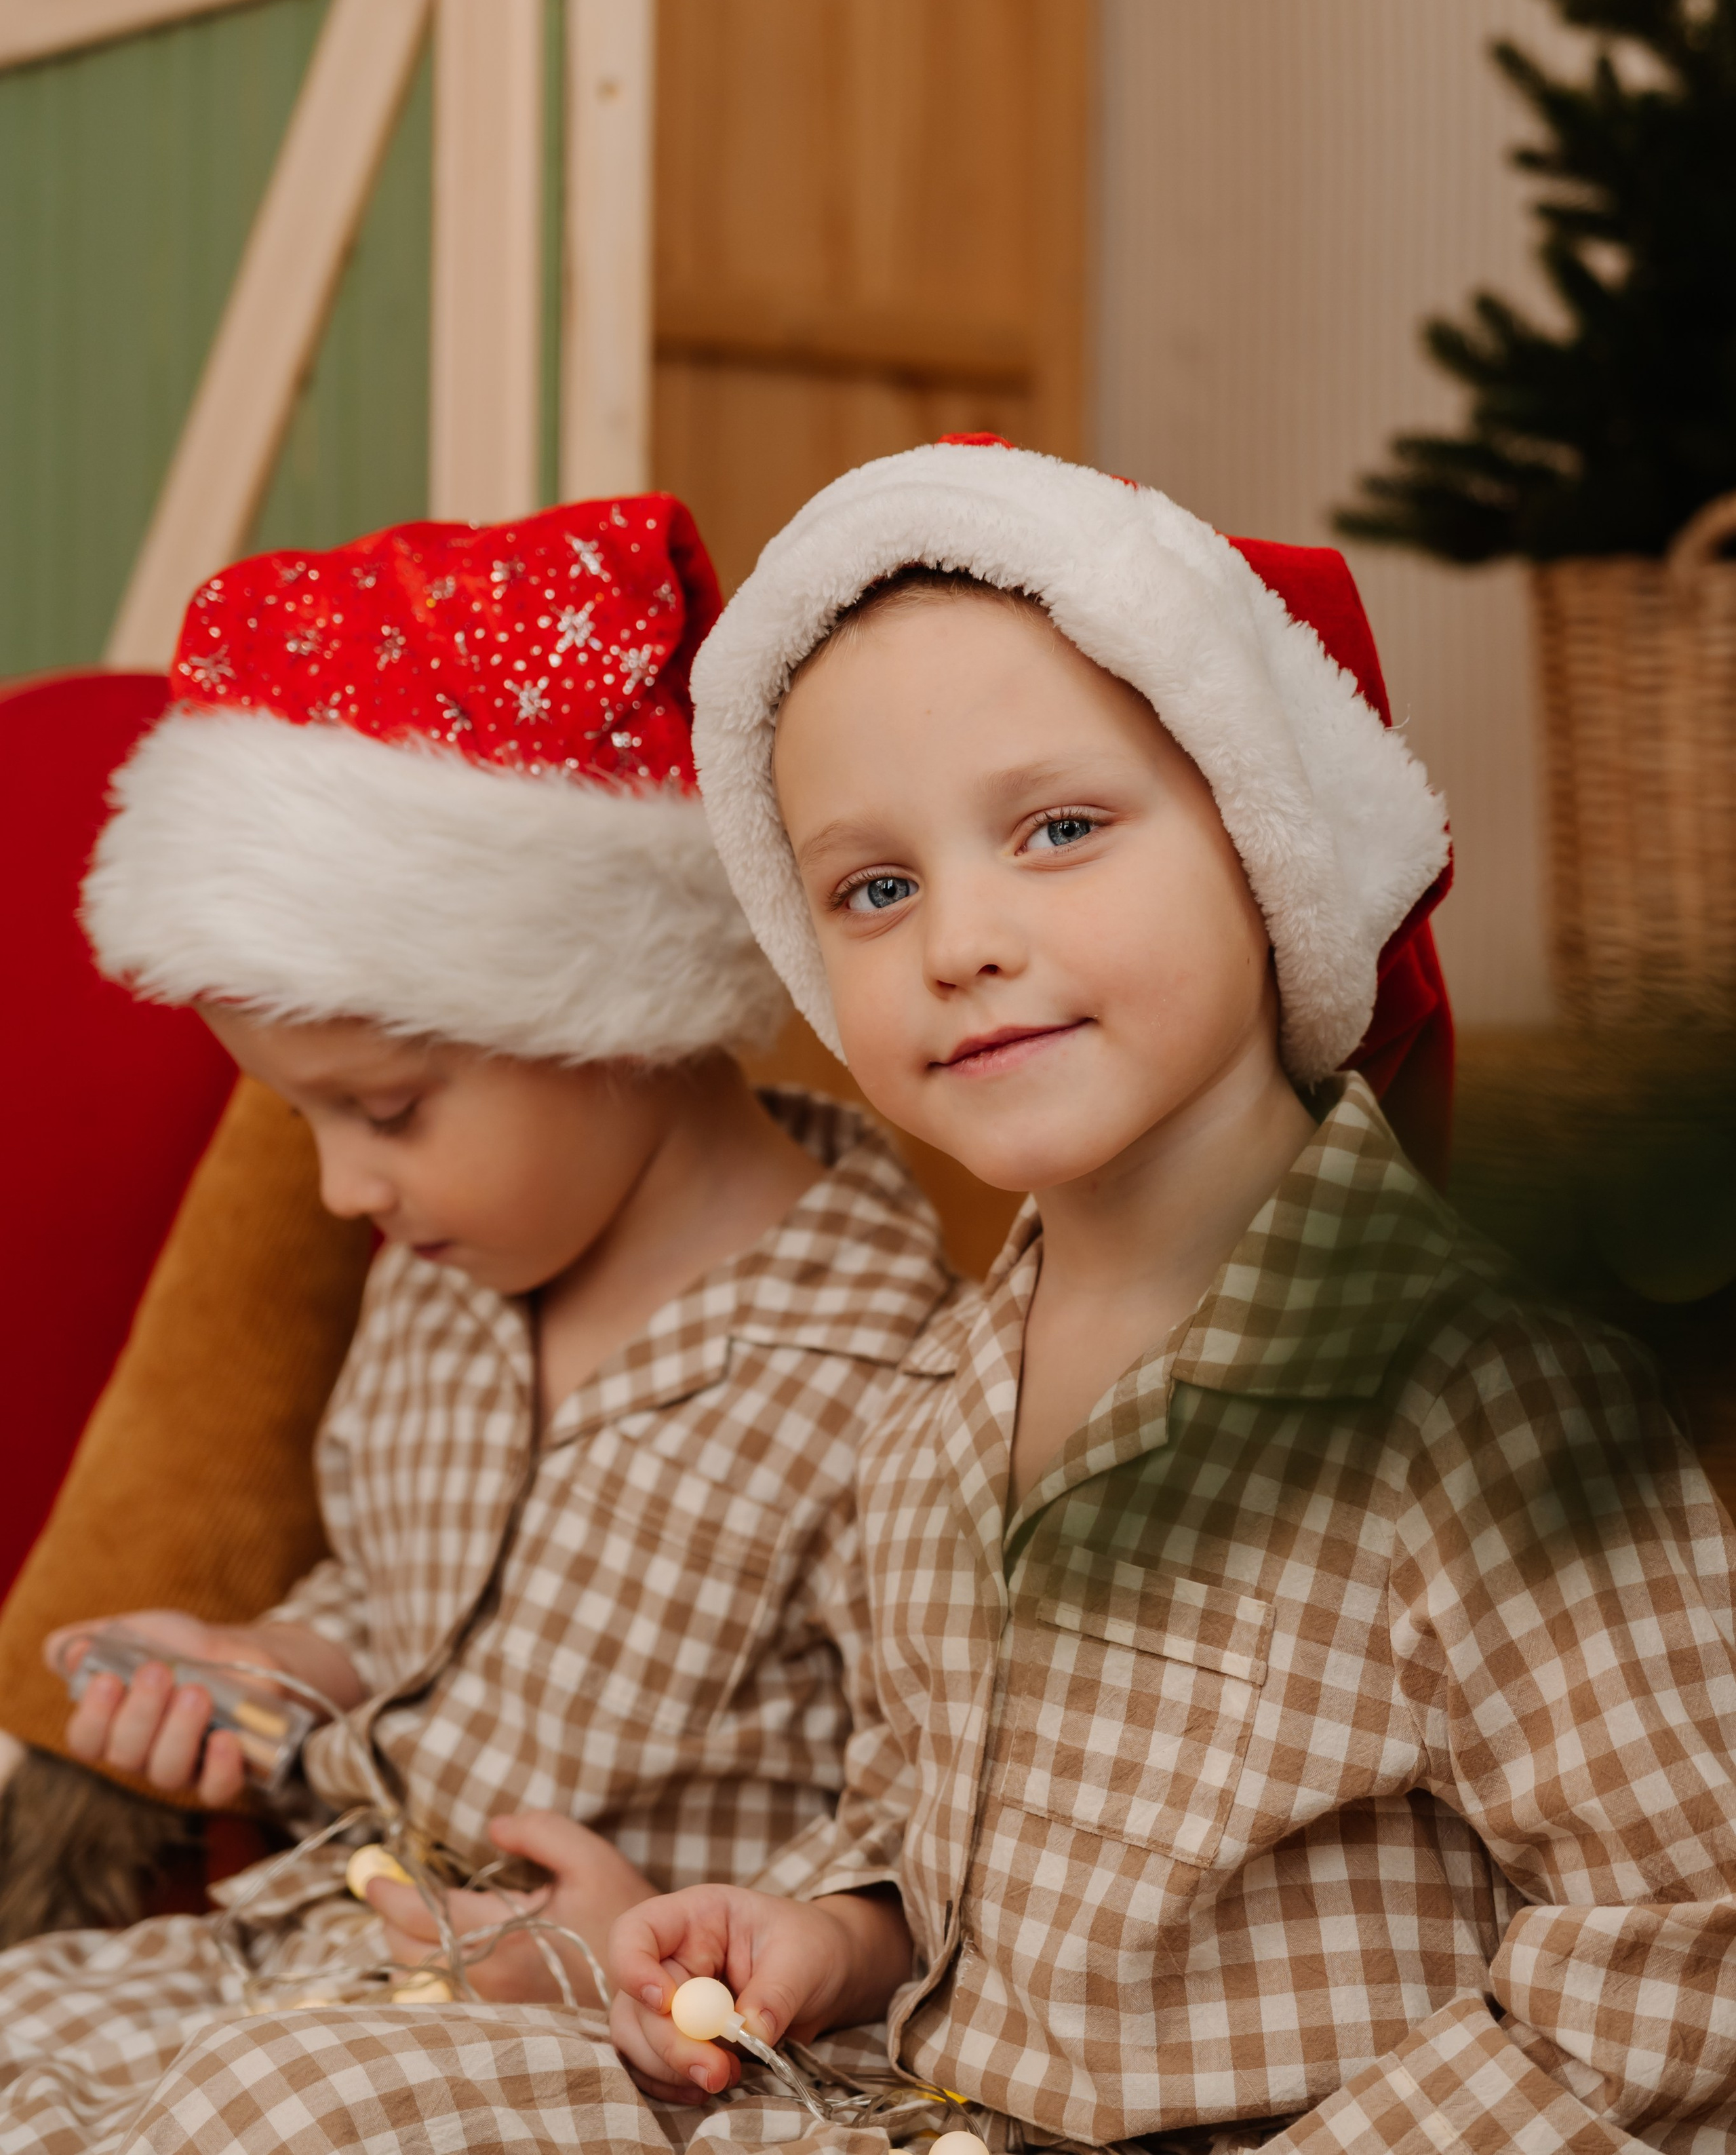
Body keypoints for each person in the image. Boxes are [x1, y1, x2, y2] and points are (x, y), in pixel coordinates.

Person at [589, 435, 1736, 2155]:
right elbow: (937, 1812)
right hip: (919, 2106)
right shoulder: (934, 1404)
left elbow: (1682, 1941)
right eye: (874, 887)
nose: (956, 938)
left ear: (1265, 854)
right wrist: (831, 1936)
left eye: (1057, 828)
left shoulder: (1474, 1391)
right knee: (306, 2092)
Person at [0, 495, 953, 2153]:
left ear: (606, 1010)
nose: (337, 1189)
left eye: (382, 1108)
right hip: (335, 1943)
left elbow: (933, 1822)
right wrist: (279, 1666)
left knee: (260, 2112)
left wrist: (663, 1943)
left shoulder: (882, 1374)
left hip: (626, 2046)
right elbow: (392, 1591)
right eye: (304, 1121)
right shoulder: (447, 1283)